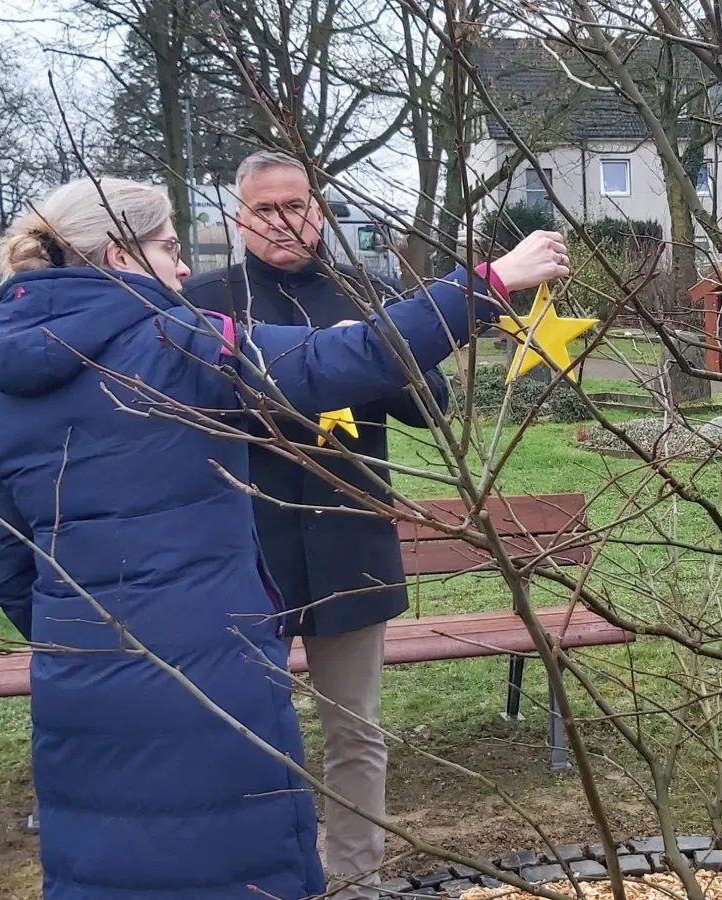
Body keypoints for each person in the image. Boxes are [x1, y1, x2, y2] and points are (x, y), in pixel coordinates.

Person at [0, 175, 568, 900]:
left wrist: (90, 637)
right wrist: (488, 281)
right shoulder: (179, 344)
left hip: (78, 677)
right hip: (211, 672)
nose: (183, 266)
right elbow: (337, 362)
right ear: (119, 255)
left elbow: (1, 557)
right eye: (166, 246)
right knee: (236, 864)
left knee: (104, 868)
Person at [181, 151, 433, 896]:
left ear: (319, 212)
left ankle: (357, 881)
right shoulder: (202, 301)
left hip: (350, 540)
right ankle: (254, 878)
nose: (283, 221)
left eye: (296, 205)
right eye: (265, 209)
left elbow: (431, 407)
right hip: (240, 549)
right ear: (239, 219)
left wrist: (364, 356)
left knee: (354, 730)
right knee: (242, 732)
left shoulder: (373, 293)